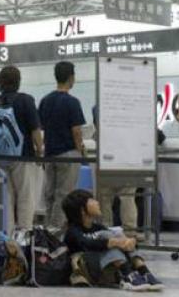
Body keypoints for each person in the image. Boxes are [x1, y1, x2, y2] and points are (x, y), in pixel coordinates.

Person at [62, 189, 163, 291]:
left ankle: (144, 272)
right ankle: (127, 275)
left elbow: (116, 242)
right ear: (82, 210)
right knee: (107, 236)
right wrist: (114, 242)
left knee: (116, 234)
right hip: (88, 270)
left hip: (106, 268)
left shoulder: (98, 227)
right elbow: (87, 244)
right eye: (92, 200)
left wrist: (128, 242)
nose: (97, 202)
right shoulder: (72, 231)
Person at [0, 66, 42, 233]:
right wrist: (39, 150)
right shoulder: (26, 100)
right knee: (25, 195)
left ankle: (7, 234)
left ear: (0, 82)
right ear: (18, 81)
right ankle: (24, 233)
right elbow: (35, 129)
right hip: (22, 155)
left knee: (5, 197)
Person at [39, 61, 87, 231]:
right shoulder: (72, 102)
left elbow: (41, 127)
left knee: (50, 193)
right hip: (68, 153)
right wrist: (80, 149)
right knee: (64, 194)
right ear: (71, 78)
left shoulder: (45, 101)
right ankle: (56, 230)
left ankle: (47, 228)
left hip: (49, 153)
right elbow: (76, 130)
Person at [92, 105, 139, 239]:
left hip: (106, 159)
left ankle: (105, 230)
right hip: (127, 160)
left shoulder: (98, 107)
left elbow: (97, 132)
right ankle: (130, 231)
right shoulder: (131, 109)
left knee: (104, 198)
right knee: (127, 197)